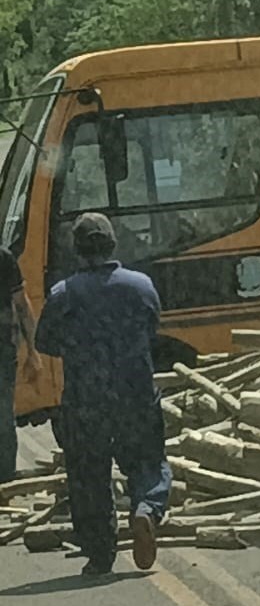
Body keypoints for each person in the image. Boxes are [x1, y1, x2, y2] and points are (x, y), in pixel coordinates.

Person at [35, 212, 172, 576]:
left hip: (85, 400)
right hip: (135, 393)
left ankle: (99, 554)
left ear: (77, 251)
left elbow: (43, 341)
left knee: (89, 475)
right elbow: (153, 327)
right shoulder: (141, 286)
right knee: (147, 461)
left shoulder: (64, 295)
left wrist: (81, 345)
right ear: (113, 245)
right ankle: (146, 508)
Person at [0, 247, 42, 484]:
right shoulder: (3, 258)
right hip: (2, 351)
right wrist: (33, 351)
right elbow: (23, 306)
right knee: (3, 418)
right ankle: (5, 485)